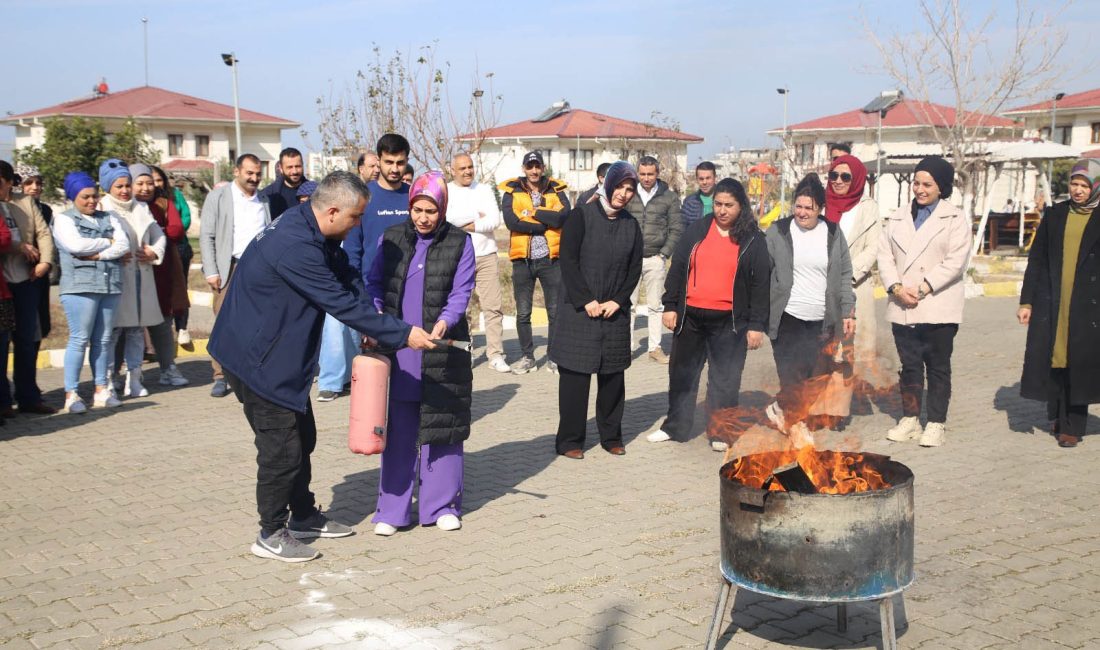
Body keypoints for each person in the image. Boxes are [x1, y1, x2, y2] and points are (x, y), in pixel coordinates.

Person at [208, 171, 436, 562]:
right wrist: (402, 334)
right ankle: (270, 531)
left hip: (280, 356)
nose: (359, 224)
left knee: (303, 437)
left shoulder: (316, 230)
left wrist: (371, 320)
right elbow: (339, 302)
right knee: (282, 449)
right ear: (332, 211)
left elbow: (348, 277)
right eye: (355, 217)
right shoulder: (295, 246)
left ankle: (303, 515)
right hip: (256, 360)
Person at [366, 170, 475, 535]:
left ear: (442, 209)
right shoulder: (392, 237)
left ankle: (441, 505)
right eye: (417, 209)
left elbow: (462, 290)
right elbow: (375, 283)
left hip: (442, 349)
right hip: (400, 350)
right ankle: (392, 510)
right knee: (399, 429)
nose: (423, 218)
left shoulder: (460, 242)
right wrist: (378, 316)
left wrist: (446, 320)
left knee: (442, 425)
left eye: (431, 210)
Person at [648, 178, 770, 452]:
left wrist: (756, 325)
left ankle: (720, 432)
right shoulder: (698, 229)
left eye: (729, 205)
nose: (722, 210)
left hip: (729, 322)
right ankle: (675, 427)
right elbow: (678, 266)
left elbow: (761, 285)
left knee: (724, 379)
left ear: (741, 207)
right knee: (682, 374)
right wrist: (670, 305)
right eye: (718, 204)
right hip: (691, 317)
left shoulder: (753, 239)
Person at [551, 161, 643, 458]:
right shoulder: (581, 216)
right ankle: (570, 441)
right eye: (620, 186)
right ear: (608, 184)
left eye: (630, 189)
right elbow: (568, 260)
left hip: (614, 313)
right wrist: (586, 299)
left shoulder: (631, 225)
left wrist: (618, 300)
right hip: (581, 311)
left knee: (613, 379)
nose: (624, 194)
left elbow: (634, 269)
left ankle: (611, 436)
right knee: (575, 380)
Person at [878, 156, 971, 447]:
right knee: (910, 366)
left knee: (938, 366)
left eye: (927, 184)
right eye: (916, 183)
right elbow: (884, 255)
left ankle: (936, 423)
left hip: (938, 303)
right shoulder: (897, 216)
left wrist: (922, 288)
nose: (920, 189)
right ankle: (910, 419)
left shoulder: (955, 218)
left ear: (941, 187)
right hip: (902, 304)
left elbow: (956, 261)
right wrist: (895, 287)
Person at [764, 174, 856, 448]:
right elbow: (761, 271)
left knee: (818, 376)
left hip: (823, 318)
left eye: (809, 208)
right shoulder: (777, 231)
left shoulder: (832, 232)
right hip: (788, 316)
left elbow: (844, 274)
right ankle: (797, 425)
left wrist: (848, 311)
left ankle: (779, 409)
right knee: (792, 376)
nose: (802, 213)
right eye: (798, 206)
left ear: (820, 209)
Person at [1018, 159, 1100, 448]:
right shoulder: (1055, 214)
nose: (1078, 190)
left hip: (1088, 305)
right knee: (1054, 358)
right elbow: (1037, 260)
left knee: (1079, 363)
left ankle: (1072, 426)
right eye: (1074, 184)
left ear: (1095, 187)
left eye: (1084, 185)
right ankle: (1055, 413)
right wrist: (1026, 301)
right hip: (1052, 300)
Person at [325, 134, 411, 402]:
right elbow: (352, 254)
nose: (395, 168)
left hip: (409, 292)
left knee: (408, 367)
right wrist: (361, 301)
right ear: (378, 160)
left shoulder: (413, 197)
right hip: (372, 295)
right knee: (374, 373)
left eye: (400, 162)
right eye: (388, 162)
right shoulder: (364, 198)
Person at [808, 154, 883, 424]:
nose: (838, 181)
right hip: (819, 287)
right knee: (820, 348)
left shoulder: (867, 207)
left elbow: (874, 247)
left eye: (845, 177)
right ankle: (816, 408)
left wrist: (846, 276)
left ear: (857, 179)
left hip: (854, 287)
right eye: (834, 176)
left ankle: (837, 411)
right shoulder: (821, 202)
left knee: (844, 352)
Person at [53, 172, 130, 413]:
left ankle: (101, 389)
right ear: (73, 197)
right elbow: (75, 245)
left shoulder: (109, 216)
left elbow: (124, 244)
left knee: (104, 339)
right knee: (79, 339)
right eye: (85, 197)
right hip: (80, 286)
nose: (91, 201)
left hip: (109, 284)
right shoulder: (63, 220)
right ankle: (71, 393)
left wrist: (99, 252)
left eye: (94, 196)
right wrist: (108, 242)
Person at [200, 154, 271, 397]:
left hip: (258, 268)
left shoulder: (264, 200)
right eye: (249, 173)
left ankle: (249, 373)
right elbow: (207, 235)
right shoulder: (218, 197)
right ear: (236, 172)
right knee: (224, 322)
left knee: (257, 322)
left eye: (258, 174)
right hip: (227, 267)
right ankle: (220, 375)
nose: (254, 178)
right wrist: (211, 271)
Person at [97, 160, 167, 399]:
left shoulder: (140, 208)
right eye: (119, 186)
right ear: (108, 187)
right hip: (115, 280)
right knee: (111, 333)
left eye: (127, 185)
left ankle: (135, 379)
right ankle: (105, 381)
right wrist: (114, 250)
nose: (125, 190)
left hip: (141, 278)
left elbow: (159, 235)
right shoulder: (102, 208)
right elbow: (97, 242)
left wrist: (154, 252)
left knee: (137, 331)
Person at [499, 151, 571, 374]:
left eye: (537, 166)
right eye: (530, 166)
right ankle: (527, 357)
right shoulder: (511, 190)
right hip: (523, 261)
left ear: (543, 167)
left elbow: (563, 217)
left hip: (551, 260)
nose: (534, 171)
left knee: (555, 311)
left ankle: (554, 358)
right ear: (524, 169)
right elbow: (512, 222)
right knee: (523, 313)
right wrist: (544, 223)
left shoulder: (556, 189)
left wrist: (532, 212)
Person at [0, 161, 56, 415]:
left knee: (26, 341)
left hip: (26, 280)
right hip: (3, 282)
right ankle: (3, 400)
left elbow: (43, 234)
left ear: (10, 182)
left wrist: (45, 262)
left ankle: (28, 397)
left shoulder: (25, 203)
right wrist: (19, 246)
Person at [446, 152, 508, 372]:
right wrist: (476, 215)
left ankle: (496, 354)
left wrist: (468, 223)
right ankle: (466, 352)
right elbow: (447, 221)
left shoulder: (483, 190)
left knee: (493, 306)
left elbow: (494, 220)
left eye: (470, 167)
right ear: (453, 170)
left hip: (486, 255)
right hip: (458, 256)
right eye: (462, 168)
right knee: (462, 308)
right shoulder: (447, 191)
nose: (467, 171)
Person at [132, 164, 189, 388]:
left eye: (151, 182)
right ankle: (126, 374)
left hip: (161, 268)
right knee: (126, 326)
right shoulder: (120, 207)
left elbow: (175, 229)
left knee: (162, 320)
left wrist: (155, 243)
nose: (147, 188)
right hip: (130, 271)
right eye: (141, 183)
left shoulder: (164, 204)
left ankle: (168, 368)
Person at [625, 155, 682, 363]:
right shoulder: (629, 193)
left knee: (655, 305)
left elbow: (676, 228)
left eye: (650, 174)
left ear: (657, 174)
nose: (646, 178)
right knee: (627, 304)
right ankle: (626, 348)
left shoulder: (669, 197)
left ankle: (654, 348)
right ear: (637, 173)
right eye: (642, 174)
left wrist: (663, 254)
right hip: (630, 259)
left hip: (655, 258)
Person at [151, 167, 194, 350]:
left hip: (178, 247)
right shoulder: (144, 202)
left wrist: (169, 233)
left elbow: (185, 217)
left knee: (180, 288)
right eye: (151, 180)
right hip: (156, 250)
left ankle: (182, 327)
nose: (155, 184)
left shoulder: (175, 195)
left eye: (158, 180)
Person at [259, 147, 309, 219]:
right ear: (281, 168)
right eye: (290, 167)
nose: (294, 171)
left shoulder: (315, 192)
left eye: (298, 166)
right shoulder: (268, 195)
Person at [681, 161, 717, 228]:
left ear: (715, 177)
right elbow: (682, 228)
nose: (704, 182)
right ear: (697, 179)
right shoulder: (690, 202)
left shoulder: (724, 200)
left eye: (708, 178)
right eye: (701, 179)